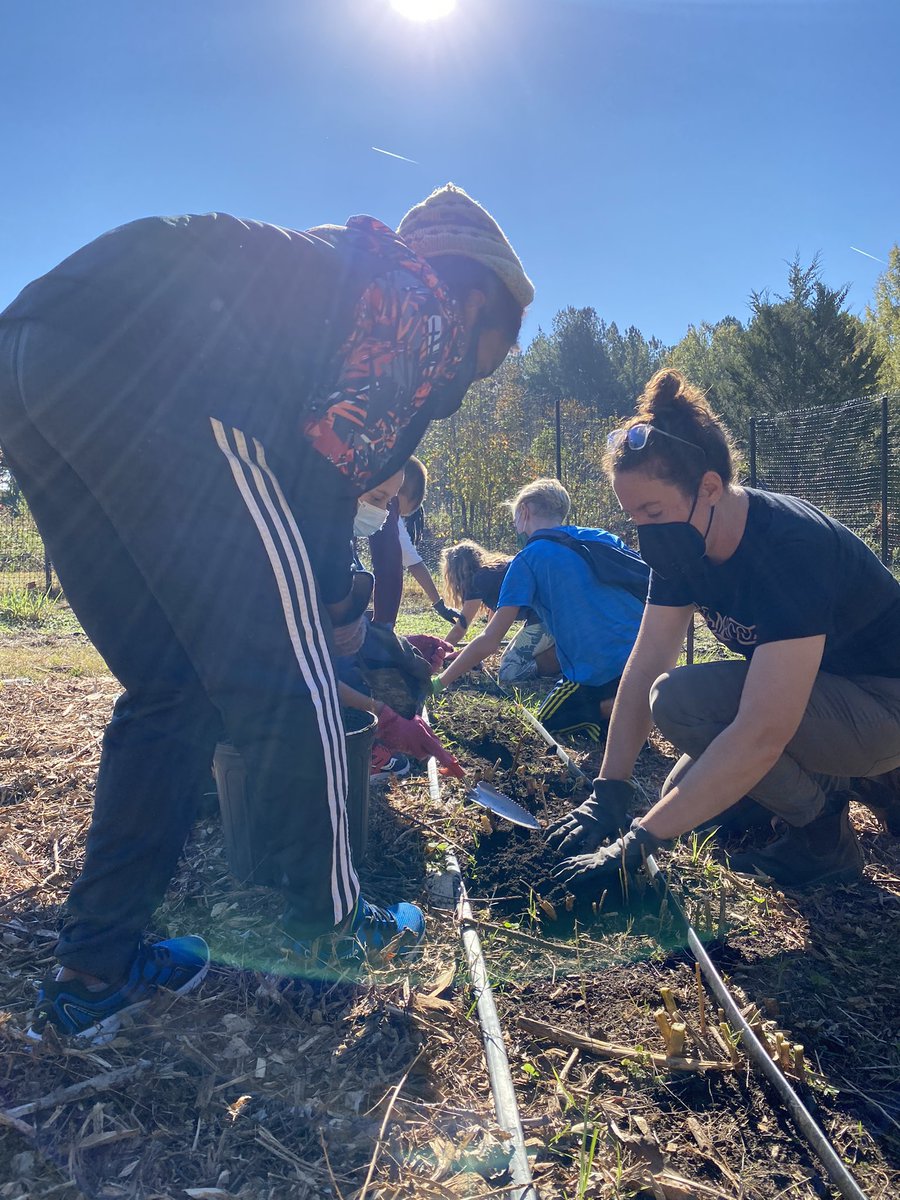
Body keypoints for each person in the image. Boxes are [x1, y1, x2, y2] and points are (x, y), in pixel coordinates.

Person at [0, 182, 532, 1039]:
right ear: (476, 301)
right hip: (169, 380)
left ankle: (92, 970)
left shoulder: (339, 271)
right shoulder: (422, 309)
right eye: (498, 347)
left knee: (171, 688)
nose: (483, 371)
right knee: (293, 681)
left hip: (32, 352)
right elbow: (322, 477)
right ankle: (331, 931)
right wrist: (337, 602)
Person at [546, 369, 900, 896]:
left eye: (652, 511)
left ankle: (824, 835)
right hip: (820, 698)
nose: (644, 531)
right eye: (633, 516)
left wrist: (639, 841)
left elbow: (762, 730)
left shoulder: (789, 548)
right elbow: (648, 660)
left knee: (682, 704)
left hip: (883, 705)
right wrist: (609, 788)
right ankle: (843, 778)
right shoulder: (686, 541)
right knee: (678, 791)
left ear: (709, 487)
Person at [432, 479, 646, 740]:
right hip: (643, 656)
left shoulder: (528, 558)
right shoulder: (601, 536)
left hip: (600, 668)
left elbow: (490, 639)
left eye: (514, 517)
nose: (515, 525)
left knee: (548, 719)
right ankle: (630, 702)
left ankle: (619, 707)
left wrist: (440, 681)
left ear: (524, 511)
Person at [440, 538, 560, 682]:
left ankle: (567, 657)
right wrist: (469, 655)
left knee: (509, 672)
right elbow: (492, 637)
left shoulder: (479, 580)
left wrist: (439, 653)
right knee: (509, 661)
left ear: (455, 572)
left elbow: (460, 629)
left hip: (549, 615)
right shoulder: (495, 573)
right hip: (551, 611)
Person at [366, 456, 462, 629]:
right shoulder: (387, 506)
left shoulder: (390, 515)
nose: (394, 515)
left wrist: (438, 604)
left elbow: (413, 561)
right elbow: (390, 567)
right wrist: (384, 625)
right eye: (398, 510)